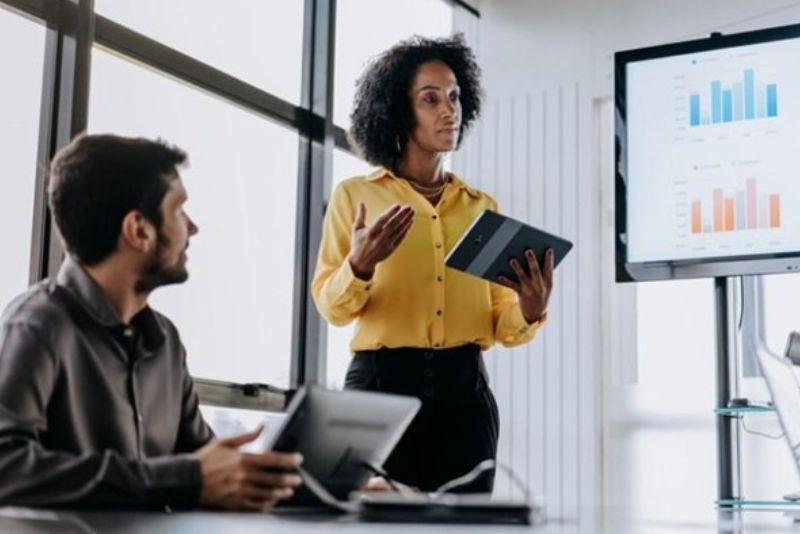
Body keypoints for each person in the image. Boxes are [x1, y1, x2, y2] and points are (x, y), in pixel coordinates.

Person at [0, 134, 302, 510]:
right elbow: (6, 468)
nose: (192, 227)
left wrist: (305, 486)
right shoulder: (37, 325)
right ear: (139, 230)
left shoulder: (165, 341)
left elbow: (205, 464)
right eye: (179, 210)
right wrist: (180, 480)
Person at [312, 35, 554, 494]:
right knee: (375, 521)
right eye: (430, 99)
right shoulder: (355, 197)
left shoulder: (481, 207)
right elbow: (332, 308)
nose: (449, 110)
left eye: (455, 97)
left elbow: (502, 323)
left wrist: (530, 308)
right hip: (379, 392)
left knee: (464, 524)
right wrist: (359, 266)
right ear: (399, 111)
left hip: (465, 399)